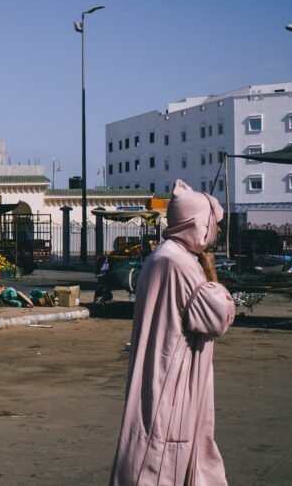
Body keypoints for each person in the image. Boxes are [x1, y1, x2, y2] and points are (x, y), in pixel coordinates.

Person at [111, 180, 236, 485]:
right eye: (212, 224)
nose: (215, 232)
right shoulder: (178, 262)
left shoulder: (166, 256)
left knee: (162, 448)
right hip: (174, 375)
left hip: (165, 367)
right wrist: (212, 276)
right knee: (163, 455)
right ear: (198, 223)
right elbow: (215, 318)